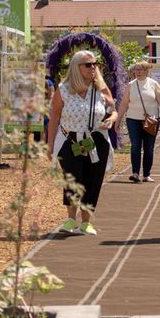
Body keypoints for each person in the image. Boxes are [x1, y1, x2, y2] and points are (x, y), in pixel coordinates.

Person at [46, 50, 117, 236]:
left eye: (95, 64)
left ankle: (86, 222)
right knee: (72, 179)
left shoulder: (101, 88)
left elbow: (113, 109)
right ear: (76, 67)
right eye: (88, 64)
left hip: (96, 140)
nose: (93, 67)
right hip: (70, 140)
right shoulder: (63, 90)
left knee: (93, 180)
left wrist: (111, 119)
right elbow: (54, 117)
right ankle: (71, 219)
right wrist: (50, 143)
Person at [117, 61, 160, 183]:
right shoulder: (131, 85)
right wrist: (118, 120)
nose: (137, 72)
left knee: (149, 147)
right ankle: (135, 173)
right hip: (133, 119)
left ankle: (146, 174)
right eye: (136, 69)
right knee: (136, 146)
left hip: (151, 121)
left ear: (147, 71)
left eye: (140, 69)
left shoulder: (154, 84)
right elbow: (124, 104)